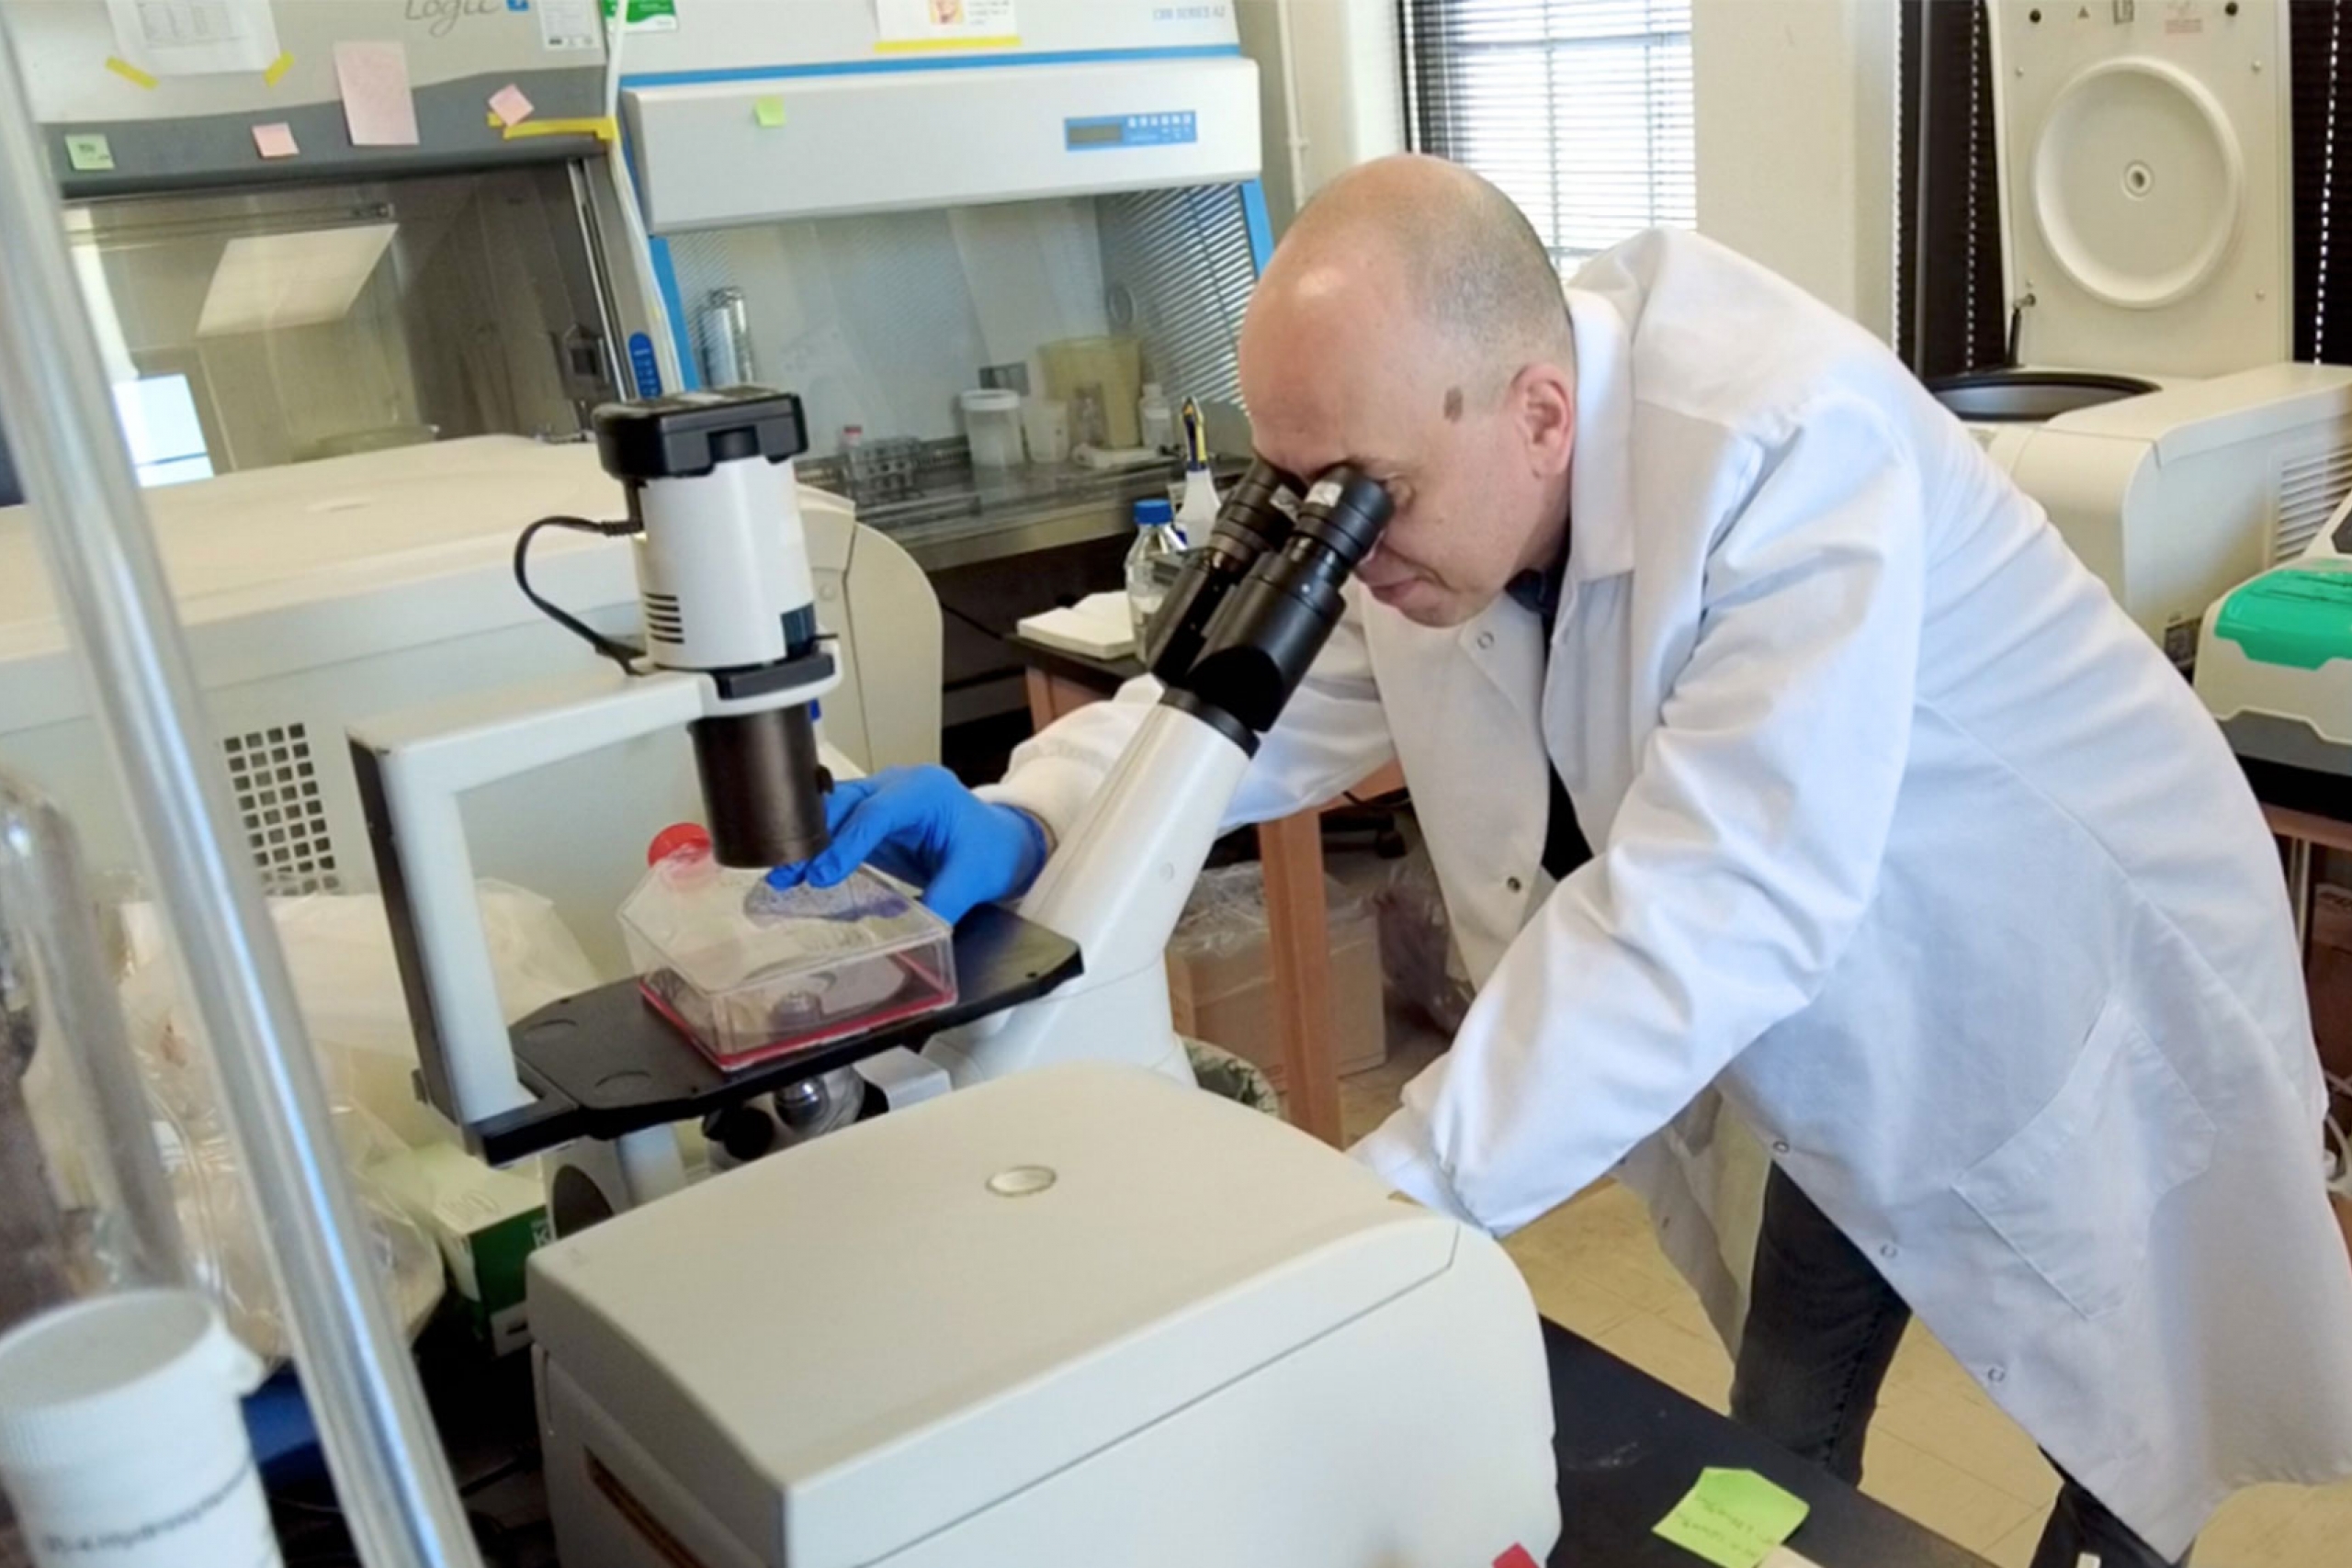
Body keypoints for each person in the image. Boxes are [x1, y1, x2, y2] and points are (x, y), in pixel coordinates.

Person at [772, 155, 2352, 1562]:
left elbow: (1710, 908)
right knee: (1778, 1423)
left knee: (2133, 1443)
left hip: (2075, 975)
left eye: (1368, 508)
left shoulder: (1787, 446)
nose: (1351, 559)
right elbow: (1252, 709)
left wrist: (1381, 1207)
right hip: (1842, 1007)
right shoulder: (1449, 486)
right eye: (1315, 503)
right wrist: (1035, 805)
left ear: (1540, 413)